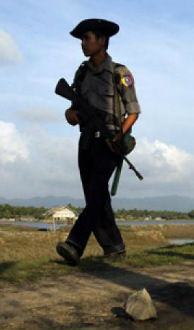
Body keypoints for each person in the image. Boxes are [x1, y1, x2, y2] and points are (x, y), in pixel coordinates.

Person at [56, 18, 141, 266]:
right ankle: (114, 246)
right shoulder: (81, 73)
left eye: (87, 38)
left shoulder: (120, 73)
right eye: (82, 39)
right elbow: (72, 113)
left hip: (109, 141)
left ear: (102, 41)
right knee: (97, 197)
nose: (82, 44)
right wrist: (70, 115)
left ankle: (74, 244)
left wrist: (118, 136)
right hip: (86, 141)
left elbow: (134, 111)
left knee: (95, 196)